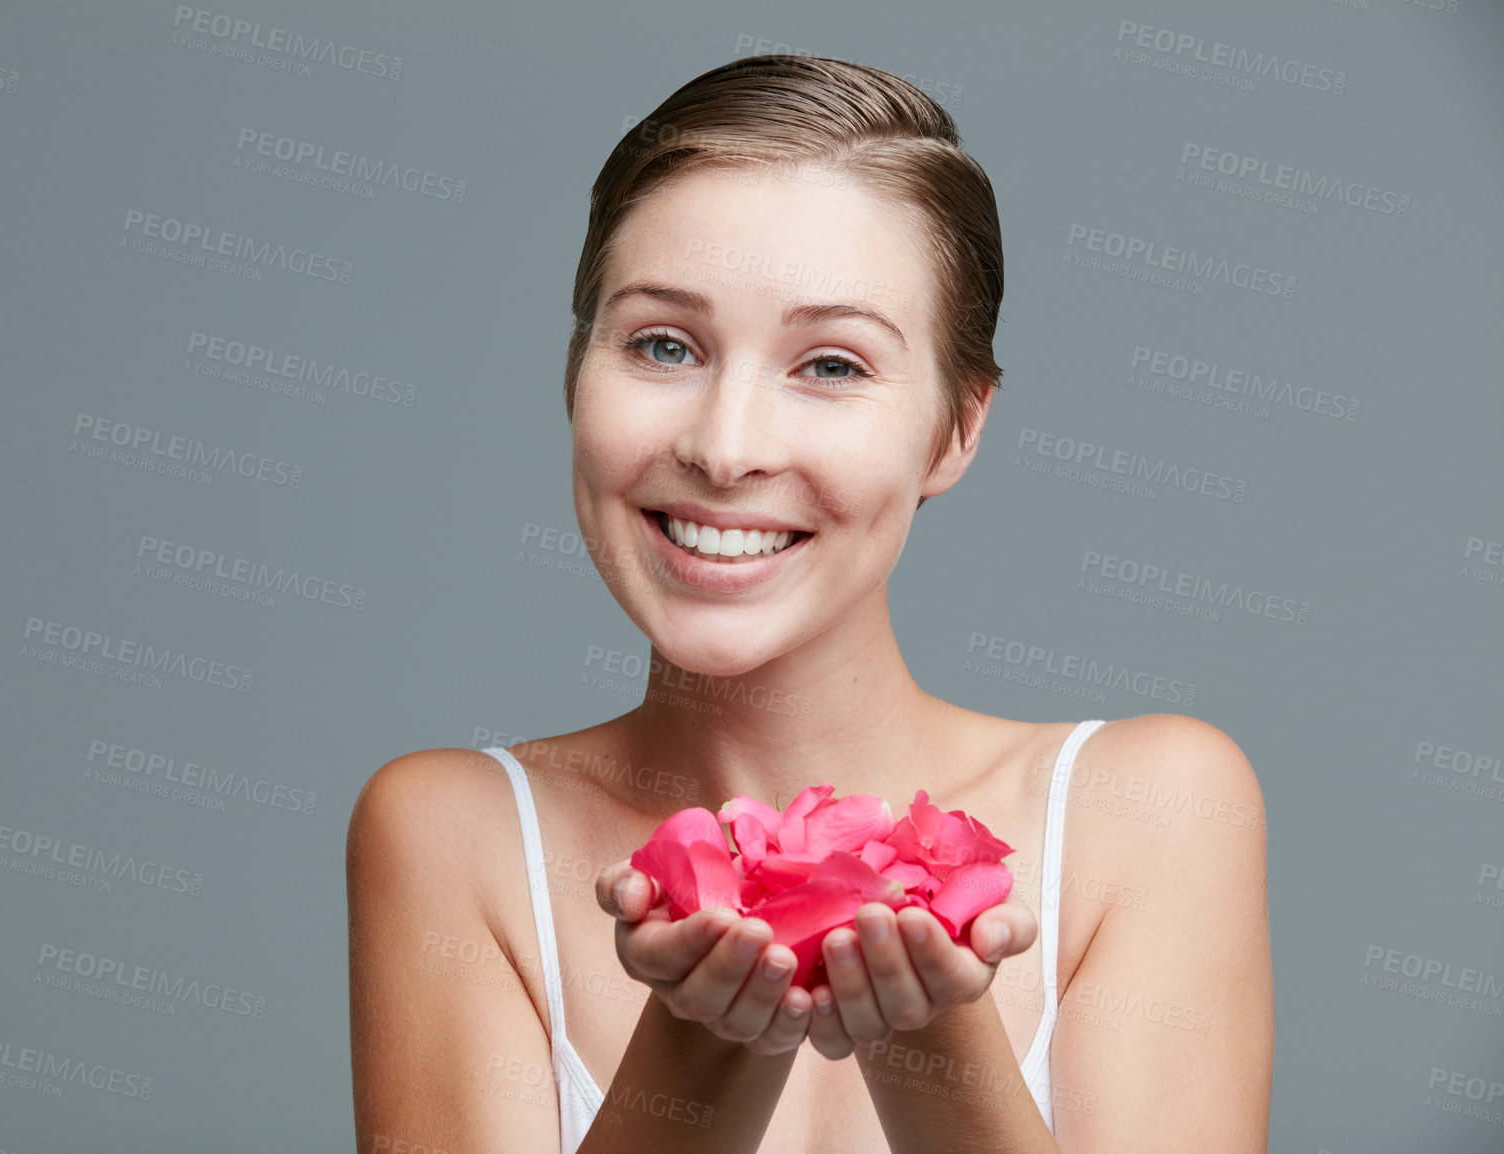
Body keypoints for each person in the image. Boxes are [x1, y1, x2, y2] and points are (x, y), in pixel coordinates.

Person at [347, 54, 1273, 1154]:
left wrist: (930, 1035)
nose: (723, 447)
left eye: (831, 365)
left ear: (956, 429)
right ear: (572, 376)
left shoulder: (1149, 809)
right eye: (662, 344)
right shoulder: (455, 831)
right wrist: (705, 1044)